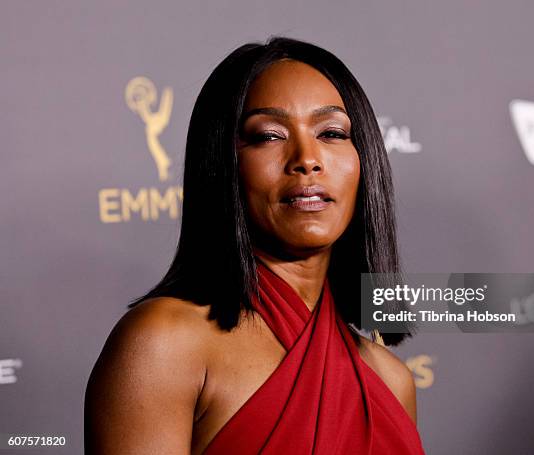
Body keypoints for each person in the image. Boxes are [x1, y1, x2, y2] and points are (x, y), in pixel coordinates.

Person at [84, 36, 425, 454]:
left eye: (332, 132)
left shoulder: (392, 380)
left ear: (365, 159)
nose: (307, 158)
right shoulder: (163, 344)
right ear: (223, 163)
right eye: (268, 136)